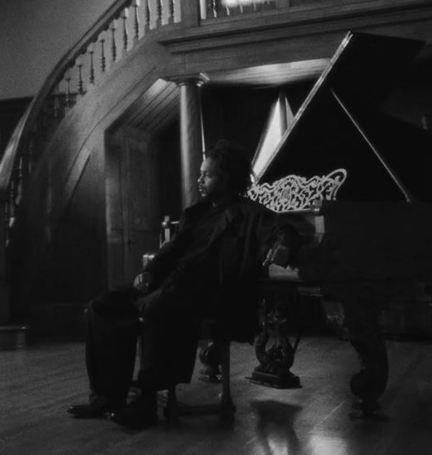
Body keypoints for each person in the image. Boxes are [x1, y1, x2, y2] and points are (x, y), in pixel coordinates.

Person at [68, 139, 302, 430]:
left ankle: (146, 401)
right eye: (201, 173)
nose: (199, 180)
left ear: (226, 178)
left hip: (210, 295)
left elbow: (284, 229)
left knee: (161, 306)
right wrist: (151, 271)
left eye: (207, 174)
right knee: (100, 308)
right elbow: (169, 252)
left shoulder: (248, 213)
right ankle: (106, 397)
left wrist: (281, 247)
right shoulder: (197, 213)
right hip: (169, 285)